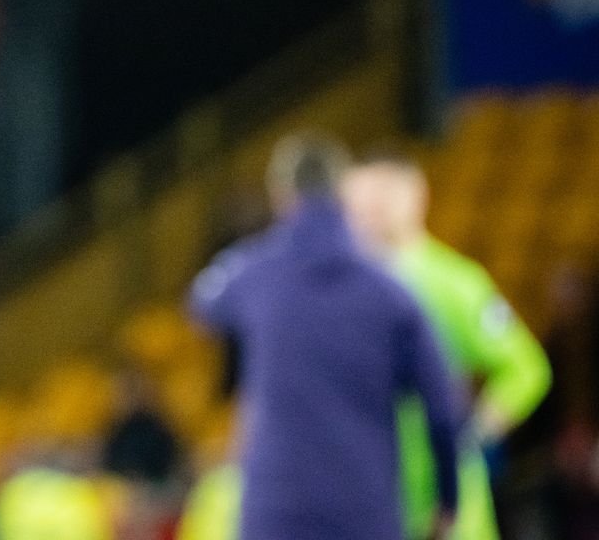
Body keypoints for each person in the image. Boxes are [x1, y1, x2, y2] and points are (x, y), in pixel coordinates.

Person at [187, 132, 460, 540]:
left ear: (281, 195)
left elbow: (202, 301)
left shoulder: (255, 273)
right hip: (366, 516)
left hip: (275, 517)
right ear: (342, 194)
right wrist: (448, 500)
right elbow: (442, 409)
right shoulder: (393, 295)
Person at [342, 151, 551, 540]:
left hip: (448, 508)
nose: (370, 207)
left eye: (382, 193)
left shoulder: (454, 283)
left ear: (416, 196)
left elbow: (526, 367)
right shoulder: (341, 291)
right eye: (359, 197)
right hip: (374, 500)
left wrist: (477, 431)